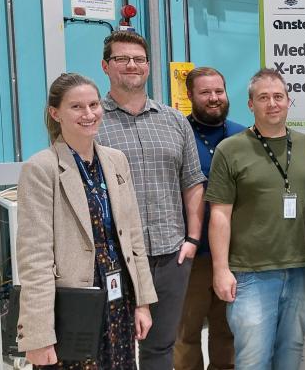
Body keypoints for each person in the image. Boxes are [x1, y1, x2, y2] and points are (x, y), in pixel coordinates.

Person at [16, 73, 157, 368]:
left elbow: (132, 238)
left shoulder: (115, 160)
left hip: (118, 299)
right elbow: (35, 258)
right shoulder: (41, 169)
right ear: (56, 113)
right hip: (72, 306)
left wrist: (142, 302)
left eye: (94, 104)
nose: (89, 114)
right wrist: (38, 335)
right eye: (77, 107)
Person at [95, 31, 206, 369]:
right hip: (115, 258)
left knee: (161, 347)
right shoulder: (92, 120)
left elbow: (192, 183)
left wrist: (191, 240)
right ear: (105, 66)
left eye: (139, 59)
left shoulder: (173, 120)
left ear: (148, 66)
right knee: (112, 347)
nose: (132, 65)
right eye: (122, 59)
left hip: (171, 255)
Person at [206, 69, 305, 369]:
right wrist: (220, 270)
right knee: (252, 361)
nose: (272, 103)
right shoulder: (230, 150)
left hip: (300, 270)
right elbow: (219, 215)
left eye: (278, 97)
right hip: (250, 274)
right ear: (250, 104)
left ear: (289, 101)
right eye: (264, 97)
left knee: (290, 356)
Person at [175, 67, 246, 370]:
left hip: (236, 254)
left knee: (227, 332)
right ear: (190, 95)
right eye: (205, 92)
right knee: (185, 334)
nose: (214, 98)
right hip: (191, 256)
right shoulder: (179, 135)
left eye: (219, 91)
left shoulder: (244, 135)